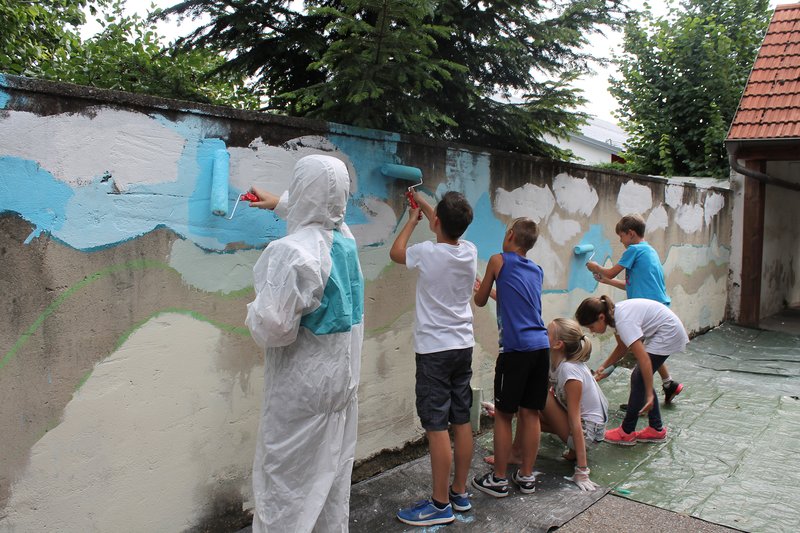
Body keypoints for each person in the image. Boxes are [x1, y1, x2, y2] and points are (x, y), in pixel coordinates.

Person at [244, 155, 364, 532]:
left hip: (301, 399)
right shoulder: (345, 241)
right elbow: (320, 219)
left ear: (301, 189)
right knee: (329, 487)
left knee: (286, 491)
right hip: (339, 393)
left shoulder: (291, 253)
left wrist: (253, 309)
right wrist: (280, 203)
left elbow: (272, 328)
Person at [390, 190, 476, 527]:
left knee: (436, 426)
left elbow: (396, 253)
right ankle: (459, 492)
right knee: (461, 420)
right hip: (462, 346)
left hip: (434, 352)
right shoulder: (469, 251)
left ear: (435, 222)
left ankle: (440, 504)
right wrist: (421, 201)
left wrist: (411, 219)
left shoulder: (426, 252)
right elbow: (443, 223)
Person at [472, 217, 550, 497]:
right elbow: (517, 302)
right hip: (541, 348)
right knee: (530, 413)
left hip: (516, 351)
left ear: (510, 236)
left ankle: (499, 479)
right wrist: (493, 290)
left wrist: (478, 288)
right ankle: (527, 477)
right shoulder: (536, 270)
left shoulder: (497, 260)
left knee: (504, 415)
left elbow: (479, 301)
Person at [586, 214, 683, 404]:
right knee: (650, 352)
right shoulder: (649, 251)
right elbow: (630, 284)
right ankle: (668, 383)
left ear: (630, 234)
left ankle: (642, 401)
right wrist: (607, 281)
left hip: (648, 312)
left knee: (642, 360)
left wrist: (596, 267)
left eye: (621, 236)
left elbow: (612, 270)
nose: (621, 241)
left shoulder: (633, 249)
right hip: (659, 308)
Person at [575, 295, 689, 445]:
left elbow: (644, 360)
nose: (593, 332)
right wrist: (603, 367)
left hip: (668, 333)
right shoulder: (614, 316)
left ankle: (626, 432)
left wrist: (649, 394)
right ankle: (656, 428)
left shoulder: (623, 322)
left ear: (601, 317)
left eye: (591, 327)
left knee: (638, 376)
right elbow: (622, 347)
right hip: (664, 330)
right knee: (640, 377)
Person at [540, 318, 607, 491]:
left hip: (588, 436)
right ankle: (573, 451)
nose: (542, 333)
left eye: (547, 333)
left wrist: (582, 470)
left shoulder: (569, 370)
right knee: (530, 407)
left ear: (558, 344)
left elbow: (576, 420)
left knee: (537, 395)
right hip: (585, 429)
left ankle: (577, 454)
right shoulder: (555, 362)